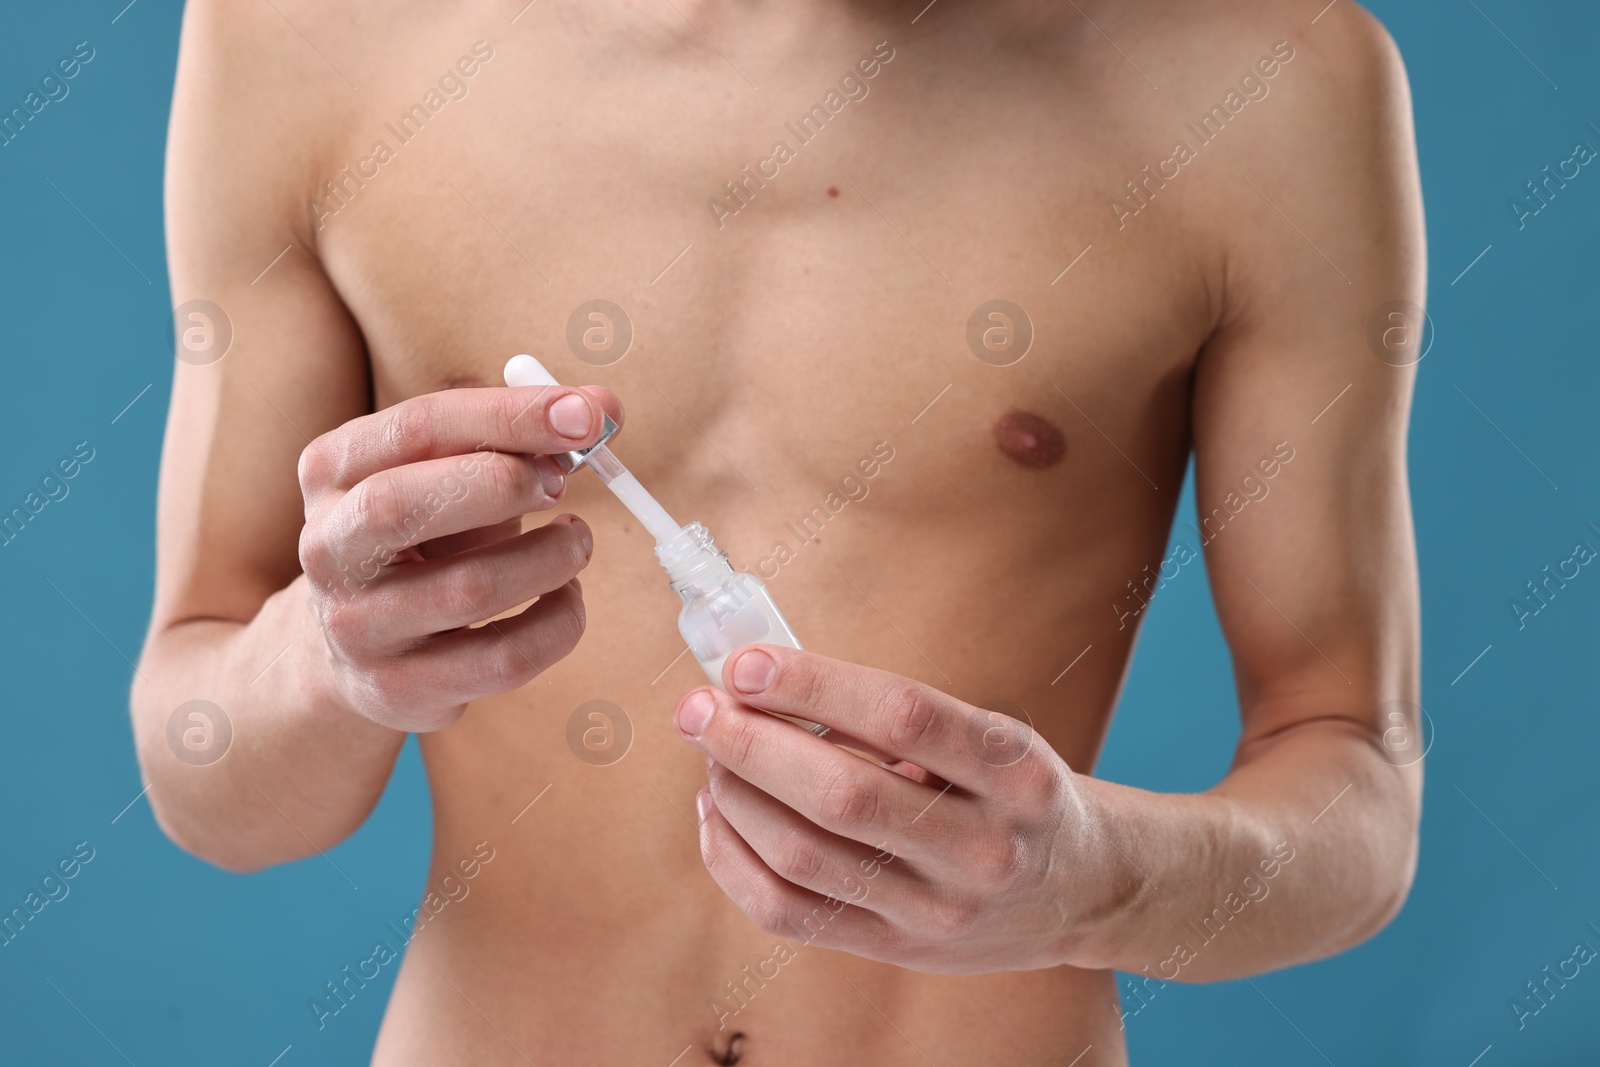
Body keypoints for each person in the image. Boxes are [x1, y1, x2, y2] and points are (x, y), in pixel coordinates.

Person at [135, 0, 1425, 1062]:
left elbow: (1358, 786)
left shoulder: (1269, 79)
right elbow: (217, 790)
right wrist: (327, 659)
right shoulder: (306, 36)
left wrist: (1101, 880)